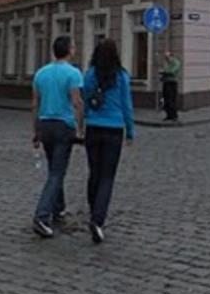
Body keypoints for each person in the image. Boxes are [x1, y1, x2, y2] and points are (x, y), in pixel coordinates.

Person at [31, 36, 84, 238]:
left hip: (45, 125)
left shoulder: (41, 73)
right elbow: (77, 102)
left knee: (55, 167)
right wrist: (80, 128)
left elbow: (35, 104)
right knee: (57, 173)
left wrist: (35, 131)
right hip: (63, 126)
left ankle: (58, 209)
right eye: (73, 46)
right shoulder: (73, 73)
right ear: (69, 50)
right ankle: (41, 216)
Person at [83, 39, 134, 244]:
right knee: (107, 176)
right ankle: (98, 219)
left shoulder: (90, 75)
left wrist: (86, 119)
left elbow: (86, 100)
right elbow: (127, 105)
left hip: (93, 129)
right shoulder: (121, 76)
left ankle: (92, 210)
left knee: (94, 172)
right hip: (114, 130)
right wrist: (130, 131)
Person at [160, 49, 181, 121]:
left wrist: (164, 71)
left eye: (167, 56)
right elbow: (163, 70)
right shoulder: (166, 63)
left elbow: (172, 71)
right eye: (165, 57)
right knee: (166, 99)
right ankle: (168, 115)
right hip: (166, 82)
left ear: (171, 56)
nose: (166, 58)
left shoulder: (176, 62)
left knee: (171, 99)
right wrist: (163, 72)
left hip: (172, 82)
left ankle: (174, 116)